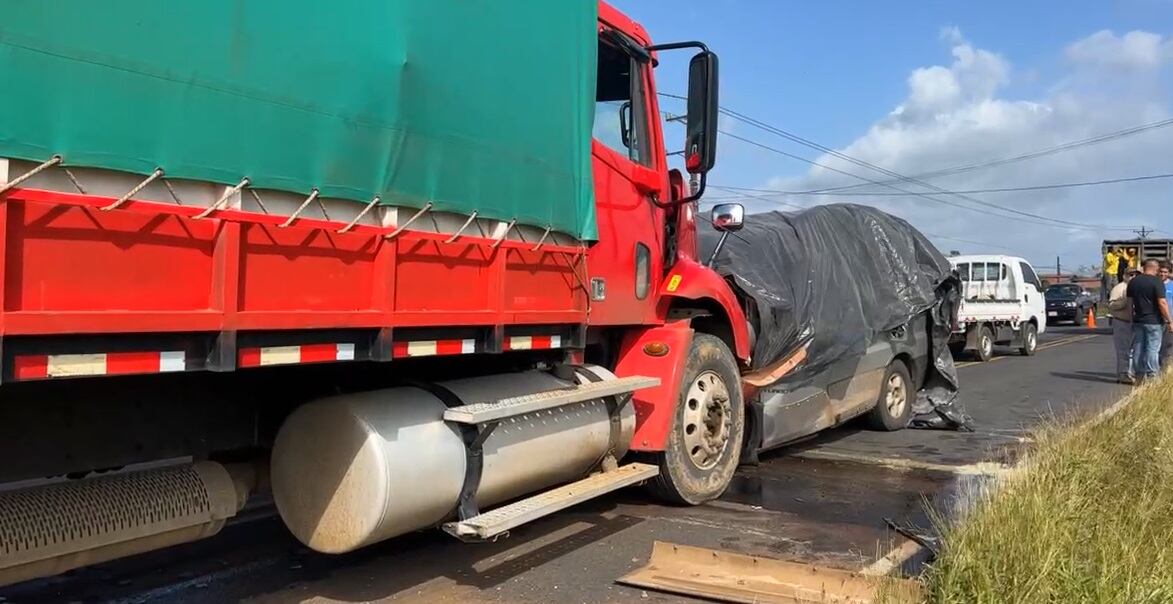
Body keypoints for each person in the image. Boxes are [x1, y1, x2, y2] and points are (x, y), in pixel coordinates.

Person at [1127, 258, 1173, 382]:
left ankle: (1139, 375)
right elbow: (1162, 303)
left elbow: (1129, 303)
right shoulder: (1156, 282)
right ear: (1155, 268)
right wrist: (1169, 320)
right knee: (1153, 349)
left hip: (1138, 320)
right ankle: (1152, 375)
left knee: (1138, 348)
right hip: (1154, 321)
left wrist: (1131, 319)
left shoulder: (1133, 282)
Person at [1109, 269, 1137, 383]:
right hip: (1122, 321)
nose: (1133, 277)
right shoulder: (1119, 288)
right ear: (1124, 276)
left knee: (1134, 350)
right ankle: (1122, 374)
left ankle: (1132, 372)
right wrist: (1126, 300)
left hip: (1135, 323)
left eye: (1135, 275)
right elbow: (1111, 305)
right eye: (1130, 274)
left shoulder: (1137, 287)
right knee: (1123, 350)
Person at [1162, 262, 1173, 369]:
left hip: (1170, 320)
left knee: (1169, 346)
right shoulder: (1156, 284)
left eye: (1165, 272)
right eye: (1161, 272)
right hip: (1157, 321)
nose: (1163, 274)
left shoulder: (1172, 285)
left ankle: (1167, 369)